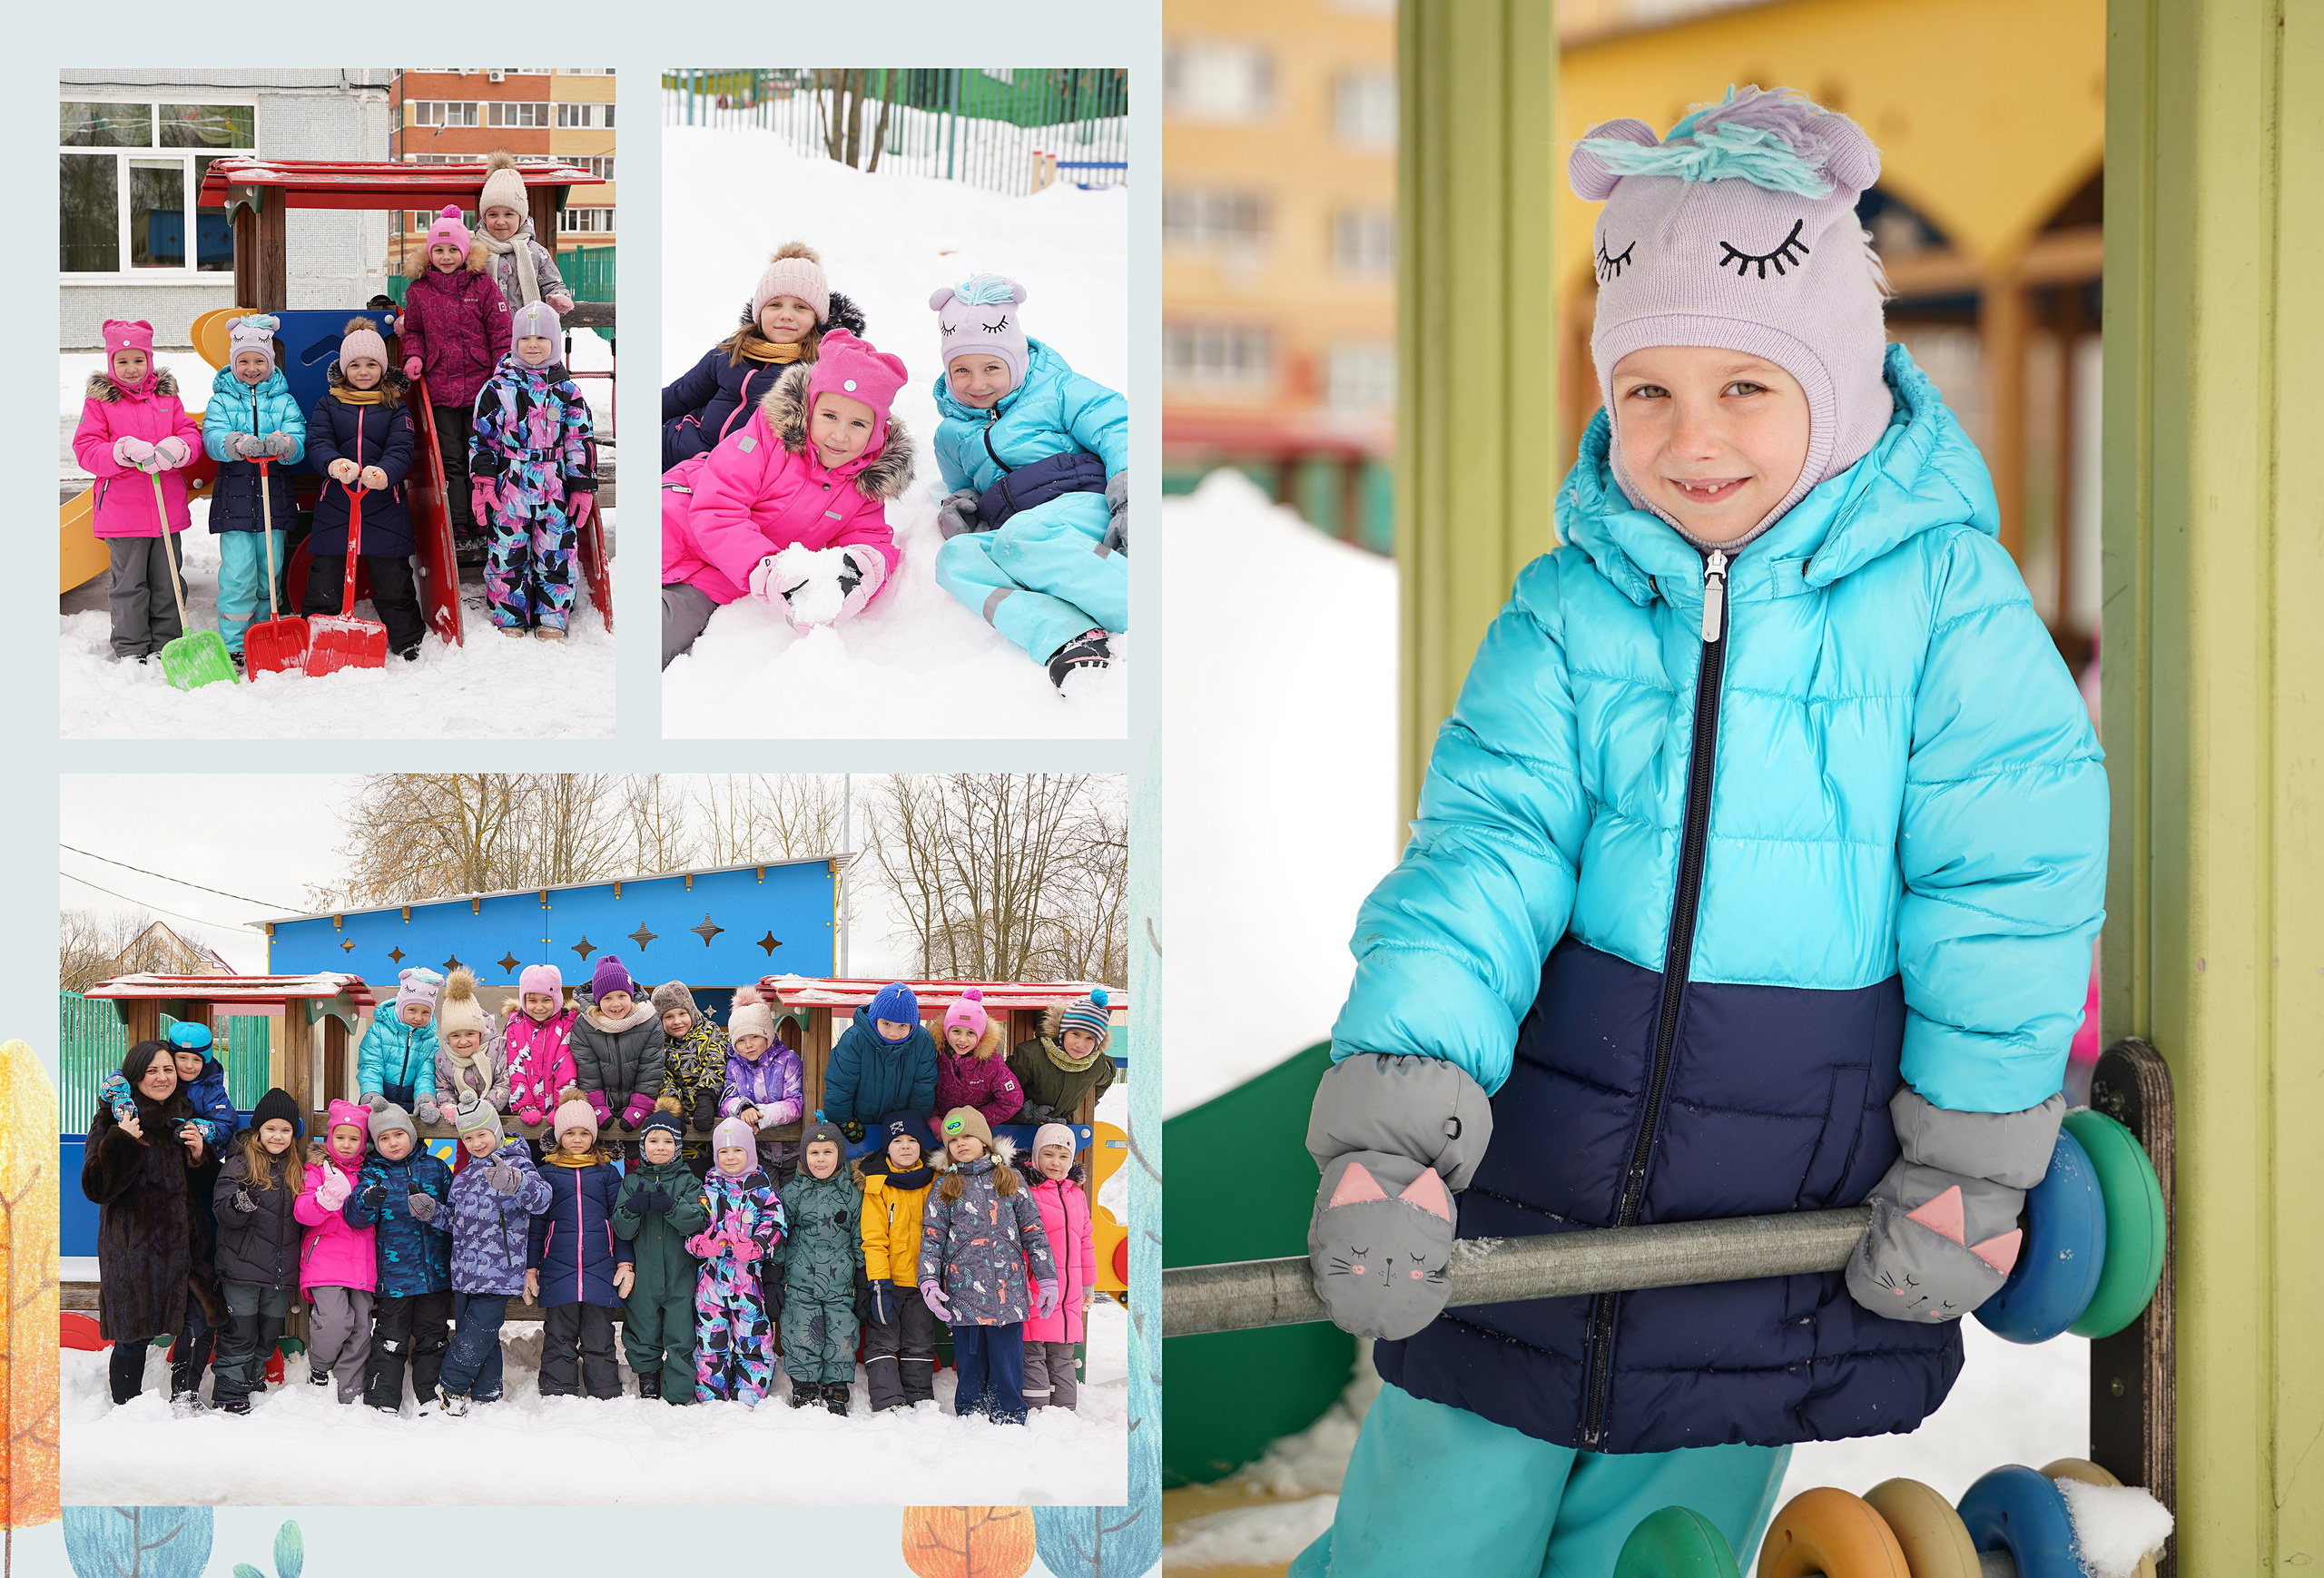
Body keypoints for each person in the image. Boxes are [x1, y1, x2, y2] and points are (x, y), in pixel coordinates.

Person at [1288, 89, 2111, 1578]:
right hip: (1534, 1177)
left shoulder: (1949, 618)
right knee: (1430, 1517)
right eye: (1647, 390)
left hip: (1771, 1211)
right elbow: (1480, 863)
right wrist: (1393, 1131)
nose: (1692, 436)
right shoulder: (1569, 614)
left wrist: (1975, 1161)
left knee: (1661, 1544)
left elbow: (2008, 887)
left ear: (1845, 385)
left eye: (1747, 384)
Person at [659, 328, 914, 668]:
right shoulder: (764, 441)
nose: (840, 435)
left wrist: (859, 571)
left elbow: (869, 537)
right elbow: (719, 507)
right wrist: (771, 570)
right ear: (810, 408)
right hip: (672, 528)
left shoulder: (863, 484)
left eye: (857, 424)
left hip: (713, 580)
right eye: (829, 416)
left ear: (877, 431)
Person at [928, 275, 1128, 691]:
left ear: (1015, 360)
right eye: (961, 370)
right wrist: (961, 506)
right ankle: (1068, 635)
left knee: (1025, 532)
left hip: (1083, 507)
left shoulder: (1059, 390)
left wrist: (1130, 494)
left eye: (991, 368)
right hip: (1020, 536)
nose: (977, 383)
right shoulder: (950, 434)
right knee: (955, 559)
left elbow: (1120, 427)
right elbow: (962, 487)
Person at [80, 1040, 223, 1411]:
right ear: (135, 1076)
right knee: (133, 1333)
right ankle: (127, 1407)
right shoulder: (112, 1119)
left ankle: (185, 1396)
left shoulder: (185, 1116)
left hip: (186, 1246)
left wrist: (199, 1156)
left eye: (168, 1070)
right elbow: (96, 1188)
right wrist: (123, 1141)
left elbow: (209, 1190)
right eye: (152, 1071)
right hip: (134, 1247)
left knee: (199, 1319)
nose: (162, 1078)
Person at [662, 241, 868, 469]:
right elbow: (680, 395)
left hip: (741, 475)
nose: (786, 315)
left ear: (817, 318)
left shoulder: (821, 371)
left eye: (800, 307)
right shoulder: (732, 351)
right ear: (759, 312)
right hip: (680, 448)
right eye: (775, 304)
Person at [72, 318, 203, 662]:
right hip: (122, 512)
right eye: (123, 361)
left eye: (139, 360)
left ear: (149, 359)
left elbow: (190, 432)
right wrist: (121, 451)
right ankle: (131, 649)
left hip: (165, 509)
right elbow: (86, 448)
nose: (131, 369)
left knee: (168, 583)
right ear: (110, 363)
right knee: (129, 585)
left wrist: (179, 447)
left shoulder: (165, 396)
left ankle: (167, 644)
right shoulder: (100, 402)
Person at [469, 301, 598, 639]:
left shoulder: (567, 391)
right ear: (514, 343)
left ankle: (552, 618)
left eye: (542, 338)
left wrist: (582, 484)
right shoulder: (498, 388)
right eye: (525, 339)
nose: (533, 345)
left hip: (555, 485)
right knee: (507, 551)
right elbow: (483, 438)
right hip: (510, 484)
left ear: (554, 342)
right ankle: (510, 615)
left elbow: (579, 439)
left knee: (555, 551)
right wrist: (483, 481)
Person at [919, 1108, 1056, 1425]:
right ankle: (971, 1413)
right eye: (953, 1140)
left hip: (1008, 1294)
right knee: (970, 1361)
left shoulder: (1009, 1179)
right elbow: (931, 1238)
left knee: (1007, 1360)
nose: (961, 1144)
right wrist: (928, 1281)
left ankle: (1008, 1412)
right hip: (965, 1295)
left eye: (968, 1136)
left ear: (984, 1140)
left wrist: (1047, 1279)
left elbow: (1033, 1230)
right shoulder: (944, 1187)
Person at [304, 315, 425, 659]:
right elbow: (318, 441)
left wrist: (385, 472)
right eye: (355, 365)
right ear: (343, 369)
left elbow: (402, 447)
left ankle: (407, 638)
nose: (363, 371)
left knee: (392, 579)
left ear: (383, 369)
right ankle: (319, 629)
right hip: (338, 503)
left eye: (371, 364)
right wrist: (333, 464)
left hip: (384, 504)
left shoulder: (394, 407)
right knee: (325, 573)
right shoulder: (328, 404)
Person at [399, 204, 509, 561]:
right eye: (439, 250)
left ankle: (486, 518)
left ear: (465, 252)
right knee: (452, 458)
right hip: (442, 387)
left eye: (453, 250)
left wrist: (501, 372)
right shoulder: (419, 291)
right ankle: (460, 521)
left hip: (482, 388)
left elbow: (500, 333)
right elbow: (413, 331)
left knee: (483, 454)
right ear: (429, 253)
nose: (446, 257)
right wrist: (413, 357)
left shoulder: (484, 286)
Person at [197, 314, 307, 666]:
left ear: (270, 362)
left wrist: (285, 443)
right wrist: (236, 442)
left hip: (273, 497)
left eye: (259, 360)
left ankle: (264, 632)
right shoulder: (222, 400)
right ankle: (234, 642)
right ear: (232, 362)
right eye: (243, 360)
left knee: (269, 569)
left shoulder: (285, 400)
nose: (251, 367)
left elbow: (299, 437)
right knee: (238, 573)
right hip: (235, 501)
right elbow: (212, 437)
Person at [438, 1100, 550, 1415]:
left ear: (497, 1131)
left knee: (478, 1331)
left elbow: (542, 1200)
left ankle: (452, 1383)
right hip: (464, 1270)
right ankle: (488, 1392)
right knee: (476, 1333)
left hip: (499, 1271)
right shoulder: (463, 1176)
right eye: (469, 1138)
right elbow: (454, 1222)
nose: (476, 1143)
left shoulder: (517, 1163)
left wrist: (516, 1183)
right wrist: (434, 1213)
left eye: (482, 1134)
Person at [343, 1100, 454, 1415]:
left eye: (398, 1135)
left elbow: (455, 1215)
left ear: (411, 1134)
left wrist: (436, 1213)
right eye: (384, 1138)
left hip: (434, 1273)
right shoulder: (372, 1174)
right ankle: (382, 1397)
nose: (393, 1143)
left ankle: (430, 1395)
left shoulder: (436, 1168)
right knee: (390, 1337)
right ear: (376, 1143)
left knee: (433, 1336)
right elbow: (355, 1218)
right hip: (394, 1278)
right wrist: (365, 1201)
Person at [527, 1085, 632, 1399]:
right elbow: (537, 1224)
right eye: (569, 1133)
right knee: (559, 1334)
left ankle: (605, 1391)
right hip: (558, 1268)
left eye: (583, 1133)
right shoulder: (546, 1173)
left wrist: (625, 1263)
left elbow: (621, 1220)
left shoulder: (607, 1174)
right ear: (559, 1136)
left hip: (602, 1268)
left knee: (600, 1334)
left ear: (594, 1136)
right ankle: (557, 1390)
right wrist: (531, 1268)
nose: (576, 1139)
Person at [207, 1089, 305, 1415]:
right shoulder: (239, 1163)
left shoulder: (295, 1169)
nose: (278, 1136)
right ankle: (229, 1391)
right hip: (242, 1269)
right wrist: (239, 1204)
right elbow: (222, 1211)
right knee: (241, 1333)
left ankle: (250, 1382)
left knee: (267, 1334)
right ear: (259, 1130)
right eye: (271, 1129)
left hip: (280, 1271)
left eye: (286, 1130)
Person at [686, 1114, 785, 1405]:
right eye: (724, 1151)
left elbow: (776, 1225)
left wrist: (757, 1246)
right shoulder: (704, 1192)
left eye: (737, 1150)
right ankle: (711, 1393)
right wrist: (701, 1245)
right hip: (711, 1284)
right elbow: (689, 1229)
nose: (730, 1157)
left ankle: (749, 1392)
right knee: (709, 1341)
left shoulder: (763, 1191)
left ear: (750, 1152)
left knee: (753, 1338)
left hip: (747, 1285)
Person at [612, 1109, 708, 1404]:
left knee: (681, 1334)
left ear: (677, 1147)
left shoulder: (688, 1181)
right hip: (643, 1277)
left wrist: (671, 1207)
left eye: (668, 1142)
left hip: (680, 1275)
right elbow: (621, 1229)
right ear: (643, 1146)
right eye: (653, 1141)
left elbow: (698, 1220)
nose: (661, 1147)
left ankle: (678, 1392)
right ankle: (649, 1381)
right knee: (642, 1330)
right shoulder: (630, 1183)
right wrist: (632, 1209)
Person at [774, 1117, 862, 1415]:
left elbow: (859, 1238)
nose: (821, 1159)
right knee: (800, 1329)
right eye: (814, 1153)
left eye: (828, 1153)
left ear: (839, 1155)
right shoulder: (791, 1194)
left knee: (842, 1332)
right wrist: (774, 1275)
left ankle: (838, 1388)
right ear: (803, 1156)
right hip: (800, 1282)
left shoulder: (851, 1194)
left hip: (841, 1283)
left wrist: (864, 1277)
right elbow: (780, 1237)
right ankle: (805, 1385)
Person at [856, 1110, 942, 1412]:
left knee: (919, 1341)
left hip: (923, 1282)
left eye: (912, 1140)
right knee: (883, 1341)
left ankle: (919, 1397)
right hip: (888, 1282)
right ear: (887, 1147)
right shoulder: (877, 1185)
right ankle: (888, 1399)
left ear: (921, 1145)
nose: (905, 1146)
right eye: (897, 1141)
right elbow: (874, 1238)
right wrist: (879, 1282)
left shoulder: (936, 1181)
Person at [293, 1100, 377, 1402]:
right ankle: (319, 1368)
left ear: (363, 1141)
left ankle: (349, 1386)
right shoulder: (317, 1168)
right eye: (340, 1137)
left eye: (354, 1138)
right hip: (325, 1258)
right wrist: (325, 1198)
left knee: (361, 1324)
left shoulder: (370, 1172)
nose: (346, 1144)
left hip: (363, 1262)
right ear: (329, 1137)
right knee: (334, 1319)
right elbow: (303, 1211)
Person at [1018, 1122, 1098, 1413]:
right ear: (1036, 1156)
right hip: (1037, 1287)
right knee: (1033, 1351)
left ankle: (1065, 1411)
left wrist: (1088, 1283)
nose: (1055, 1162)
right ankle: (1037, 1410)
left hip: (1069, 1293)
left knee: (1063, 1354)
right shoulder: (1026, 1191)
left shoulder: (1076, 1195)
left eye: (1063, 1156)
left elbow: (1085, 1241)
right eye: (1049, 1154)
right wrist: (1021, 1284)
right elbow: (1017, 1242)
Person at [821, 981, 937, 1140]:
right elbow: (840, 1084)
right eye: (886, 1024)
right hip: (858, 1120)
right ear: (875, 1018)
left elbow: (923, 1088)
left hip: (900, 1123)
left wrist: (914, 1120)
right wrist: (843, 1120)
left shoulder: (922, 1042)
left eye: (902, 1025)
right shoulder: (854, 1040)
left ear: (912, 1024)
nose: (893, 1033)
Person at [571, 956, 665, 1142]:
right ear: (598, 1000)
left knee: (637, 1161)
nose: (615, 1004)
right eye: (607, 998)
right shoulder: (585, 1024)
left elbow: (651, 1066)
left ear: (630, 995)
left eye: (622, 996)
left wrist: (641, 1106)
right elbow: (587, 1069)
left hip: (639, 1103)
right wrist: (596, 1106)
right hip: (601, 1105)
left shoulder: (649, 1021)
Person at [718, 983, 803, 1185]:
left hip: (793, 1150)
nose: (748, 1045)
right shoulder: (734, 1066)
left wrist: (760, 1116)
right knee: (768, 1199)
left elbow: (796, 1103)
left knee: (791, 1200)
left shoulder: (787, 1060)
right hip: (759, 1150)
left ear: (767, 1035)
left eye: (755, 1037)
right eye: (741, 1040)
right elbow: (725, 1101)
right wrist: (743, 1108)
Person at [472, 152, 573, 316]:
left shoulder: (536, 253)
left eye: (509, 214)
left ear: (521, 218)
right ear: (484, 217)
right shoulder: (472, 250)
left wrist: (558, 298)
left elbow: (552, 284)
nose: (500, 221)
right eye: (493, 214)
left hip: (526, 334)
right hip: (482, 334)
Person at [650, 979, 728, 1175]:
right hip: (678, 1116)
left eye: (682, 1013)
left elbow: (716, 1061)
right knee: (682, 1169)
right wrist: (673, 1103)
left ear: (691, 1011)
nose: (677, 1021)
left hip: (710, 1109)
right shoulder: (658, 1043)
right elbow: (661, 1074)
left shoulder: (709, 1031)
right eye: (669, 1016)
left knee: (710, 1167)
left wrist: (706, 1098)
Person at [1009, 986, 1115, 1127]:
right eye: (1075, 1034)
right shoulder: (1031, 1055)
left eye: (1090, 1038)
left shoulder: (1096, 1063)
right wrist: (1030, 1112)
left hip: (1060, 1129)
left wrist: (1088, 1101)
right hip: (1018, 1126)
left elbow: (1106, 1079)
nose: (1080, 1044)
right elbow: (1005, 1088)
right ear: (1063, 1032)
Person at [934, 987, 1023, 1130]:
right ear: (946, 1031)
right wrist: (934, 1119)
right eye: (956, 1031)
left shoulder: (992, 1063)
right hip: (942, 1130)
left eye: (970, 1033)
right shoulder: (935, 1057)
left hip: (978, 1132)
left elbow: (1012, 1100)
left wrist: (974, 1121)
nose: (962, 1039)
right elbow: (922, 1091)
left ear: (980, 1035)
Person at [358, 968, 442, 1114]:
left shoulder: (431, 1042)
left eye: (425, 1012)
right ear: (400, 1007)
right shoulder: (379, 1031)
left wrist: (425, 1100)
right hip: (379, 1100)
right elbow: (370, 1066)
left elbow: (426, 1075)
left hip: (411, 1105)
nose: (418, 1018)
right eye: (412, 1010)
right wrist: (372, 1096)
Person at [506, 963, 578, 1132]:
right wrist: (524, 1104)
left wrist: (562, 1104)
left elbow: (566, 1068)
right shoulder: (515, 1026)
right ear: (523, 1000)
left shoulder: (567, 1025)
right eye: (532, 1001)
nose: (539, 1007)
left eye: (546, 1000)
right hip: (524, 1113)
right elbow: (515, 1068)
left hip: (560, 1112)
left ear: (557, 999)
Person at [431, 968, 510, 1122]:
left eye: (470, 1034)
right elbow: (443, 1089)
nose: (463, 1041)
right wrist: (451, 1109)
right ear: (448, 1037)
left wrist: (483, 1109)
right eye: (455, 1035)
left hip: (498, 1118)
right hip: (464, 1122)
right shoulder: (443, 1058)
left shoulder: (498, 1048)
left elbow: (505, 1082)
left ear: (480, 1033)